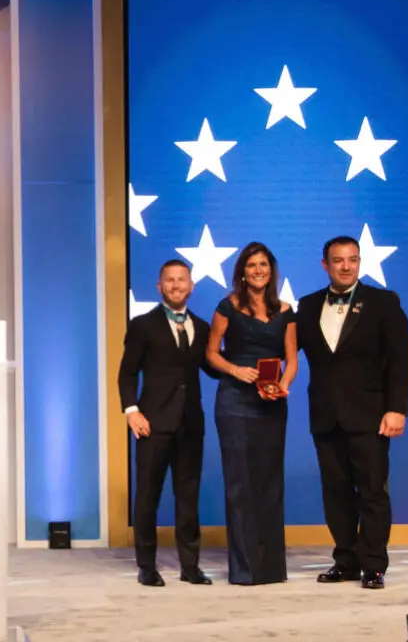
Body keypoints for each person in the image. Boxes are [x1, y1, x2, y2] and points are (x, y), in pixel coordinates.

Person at [295, 235, 408, 590]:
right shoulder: (307, 305)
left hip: (371, 415)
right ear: (325, 265)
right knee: (336, 492)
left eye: (352, 259)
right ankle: (345, 560)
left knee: (373, 492)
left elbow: (400, 360)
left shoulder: (383, 302)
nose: (346, 266)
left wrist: (397, 409)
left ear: (359, 262)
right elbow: (283, 349)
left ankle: (373, 565)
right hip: (325, 415)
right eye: (338, 260)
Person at [205, 242, 296, 585]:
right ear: (242, 271)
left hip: (272, 405)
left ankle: (271, 569)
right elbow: (212, 353)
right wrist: (235, 371)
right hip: (234, 403)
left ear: (271, 270)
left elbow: (292, 360)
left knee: (270, 484)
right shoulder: (227, 307)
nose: (258, 270)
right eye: (252, 265)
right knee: (240, 484)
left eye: (264, 265)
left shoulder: (286, 311)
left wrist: (283, 385)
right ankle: (244, 570)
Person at [117, 258, 212, 587]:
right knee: (147, 497)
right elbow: (127, 373)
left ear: (191, 286)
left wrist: (246, 370)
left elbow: (211, 367)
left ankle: (191, 566)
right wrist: (132, 411)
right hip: (152, 424)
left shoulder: (203, 327)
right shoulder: (143, 325)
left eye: (182, 280)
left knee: (188, 497)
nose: (176, 285)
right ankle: (147, 566)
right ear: (160, 286)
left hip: (190, 425)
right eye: (169, 280)